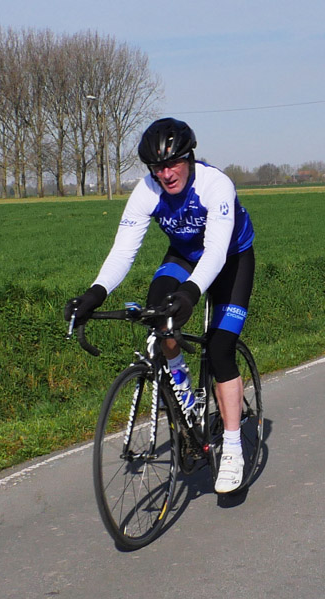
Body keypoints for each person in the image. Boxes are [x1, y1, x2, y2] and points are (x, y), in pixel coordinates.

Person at [64, 117, 255, 493]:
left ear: (189, 157)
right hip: (184, 255)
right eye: (157, 167)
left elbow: (216, 251)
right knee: (158, 313)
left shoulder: (215, 185)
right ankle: (182, 387)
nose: (166, 174)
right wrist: (95, 293)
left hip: (231, 259)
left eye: (172, 164)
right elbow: (123, 252)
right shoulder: (147, 191)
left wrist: (191, 293)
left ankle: (233, 448)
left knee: (220, 349)